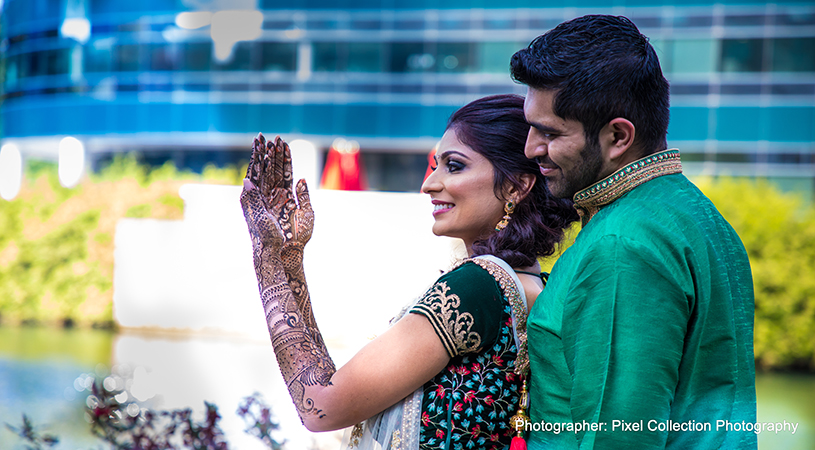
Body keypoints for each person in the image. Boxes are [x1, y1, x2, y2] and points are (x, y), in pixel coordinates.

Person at [239, 94, 578, 450]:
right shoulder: (534, 282)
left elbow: (321, 406)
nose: (429, 184)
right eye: (435, 165)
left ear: (516, 186)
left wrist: (269, 258)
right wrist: (290, 258)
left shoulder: (476, 287)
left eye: (454, 165)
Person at [509, 15, 757, 449]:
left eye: (549, 132)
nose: (531, 148)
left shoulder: (622, 243)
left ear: (618, 136)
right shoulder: (696, 215)